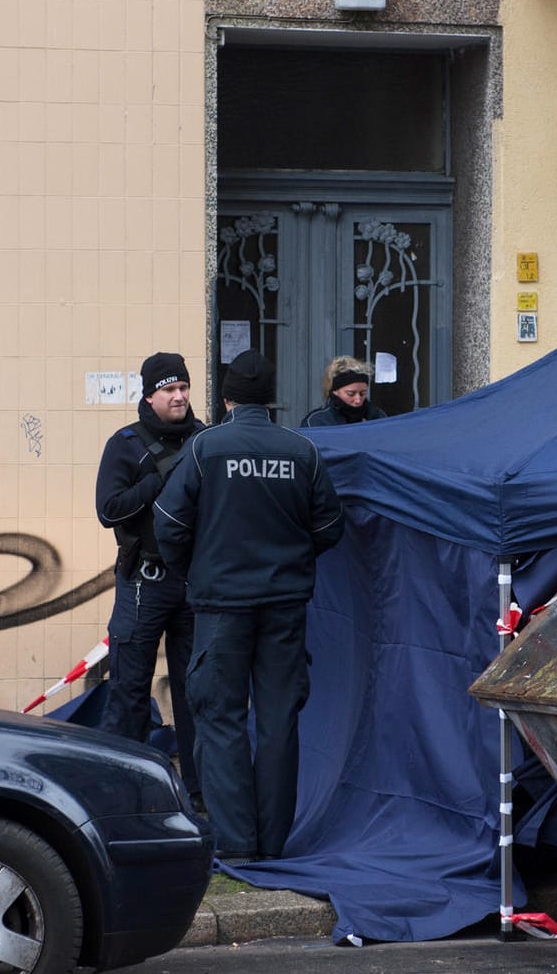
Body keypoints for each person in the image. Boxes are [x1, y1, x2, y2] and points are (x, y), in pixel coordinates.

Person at [155, 350, 344, 861]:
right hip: (284, 606)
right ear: (271, 400)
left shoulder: (204, 448)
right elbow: (330, 527)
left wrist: (196, 569)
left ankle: (237, 845)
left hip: (220, 607)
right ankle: (274, 843)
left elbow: (168, 525)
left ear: (226, 399)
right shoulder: (300, 450)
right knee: (279, 721)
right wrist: (293, 559)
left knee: (220, 719)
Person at [94, 351, 206, 808]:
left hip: (194, 584)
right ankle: (119, 797)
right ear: (150, 395)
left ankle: (199, 795)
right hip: (144, 582)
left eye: (183, 388)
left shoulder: (205, 439)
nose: (179, 396)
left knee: (197, 693)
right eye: (169, 389)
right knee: (129, 692)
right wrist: (158, 482)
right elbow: (108, 510)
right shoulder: (125, 443)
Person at [300, 355, 388, 427]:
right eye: (351, 394)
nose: (358, 400)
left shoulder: (377, 417)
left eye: (363, 393)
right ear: (335, 391)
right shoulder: (318, 422)